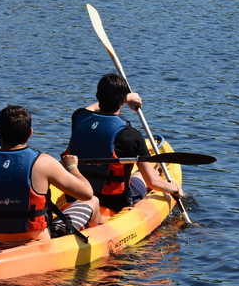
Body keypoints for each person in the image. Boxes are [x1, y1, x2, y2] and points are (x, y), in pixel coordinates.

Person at [0, 105, 101, 240]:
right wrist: (72, 167)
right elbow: (86, 193)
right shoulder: (45, 163)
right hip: (35, 237)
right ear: (30, 132)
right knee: (92, 201)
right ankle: (97, 237)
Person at [65, 73, 184, 215]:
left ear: (97, 95)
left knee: (138, 174)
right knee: (141, 176)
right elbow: (153, 183)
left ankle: (152, 169)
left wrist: (124, 98)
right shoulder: (131, 135)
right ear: (122, 101)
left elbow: (90, 109)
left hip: (76, 193)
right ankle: (156, 169)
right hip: (113, 201)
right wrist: (176, 189)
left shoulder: (78, 117)